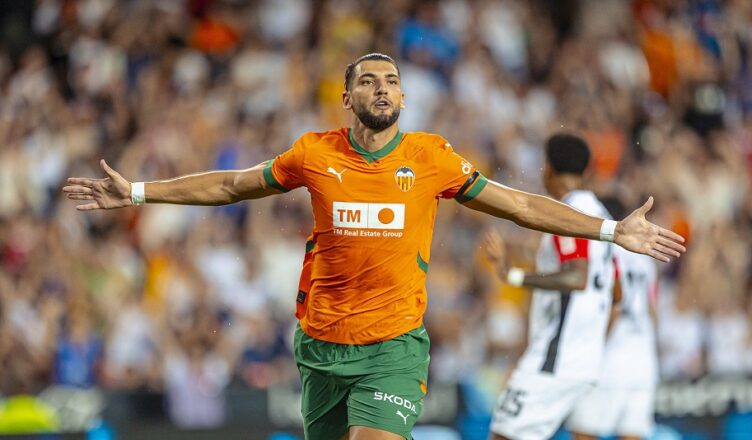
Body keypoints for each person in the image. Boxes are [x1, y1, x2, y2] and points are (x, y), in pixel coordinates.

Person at [63, 53, 685, 440]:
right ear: (348, 97)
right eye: (368, 80)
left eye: (392, 81)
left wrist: (612, 230)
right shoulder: (314, 153)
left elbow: (520, 205)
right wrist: (137, 192)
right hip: (321, 347)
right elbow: (231, 185)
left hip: (394, 347)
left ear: (404, 99)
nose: (382, 88)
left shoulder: (432, 158)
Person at [483, 134, 620, 440]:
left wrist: (514, 276)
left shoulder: (566, 216)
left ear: (548, 168)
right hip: (589, 360)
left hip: (557, 358)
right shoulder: (602, 216)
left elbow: (577, 277)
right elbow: (616, 291)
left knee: (503, 436)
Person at [567, 201, 660, 440]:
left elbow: (615, 306)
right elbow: (652, 311)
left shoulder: (606, 249)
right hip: (643, 361)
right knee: (632, 433)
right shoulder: (646, 257)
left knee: (584, 432)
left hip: (609, 360)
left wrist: (591, 348)